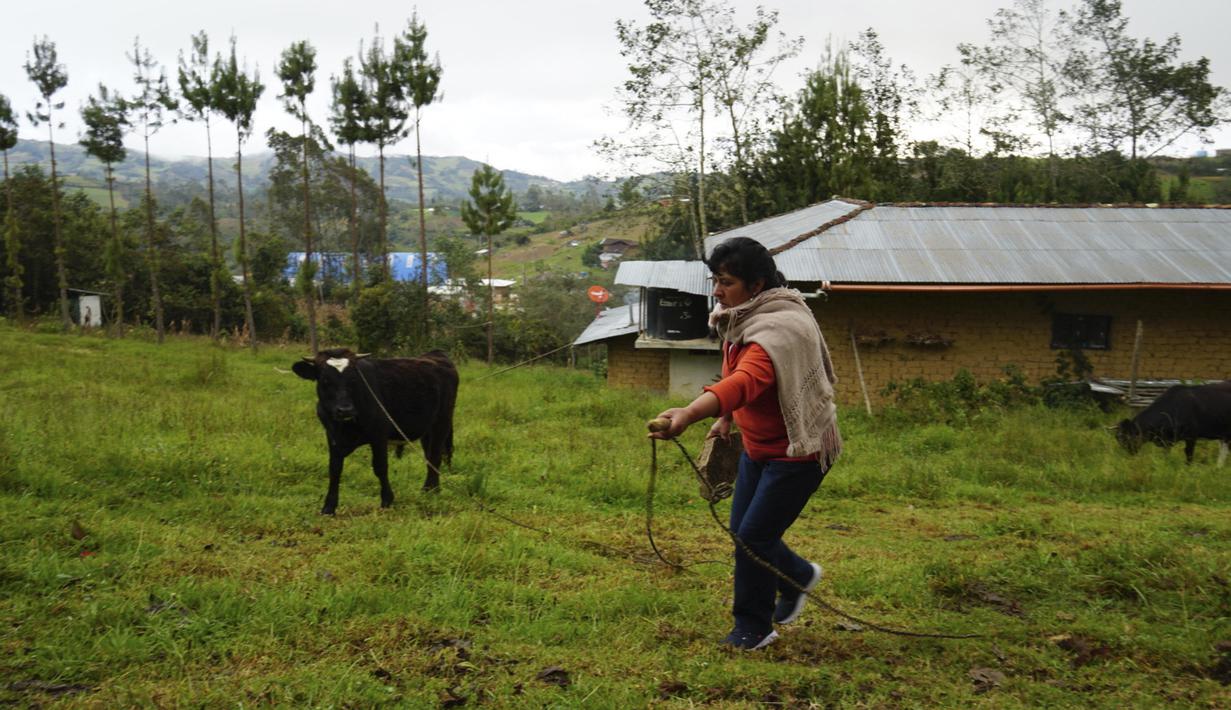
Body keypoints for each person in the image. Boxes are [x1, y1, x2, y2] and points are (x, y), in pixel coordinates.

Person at [650, 236, 842, 650]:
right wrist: (726, 417)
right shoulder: (742, 319)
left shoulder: (779, 329)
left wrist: (689, 413)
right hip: (757, 448)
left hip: (798, 453)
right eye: (715, 280)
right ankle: (799, 576)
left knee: (754, 538)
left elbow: (745, 380)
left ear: (755, 285)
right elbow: (736, 379)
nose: (717, 291)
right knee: (745, 532)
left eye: (727, 282)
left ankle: (754, 627)